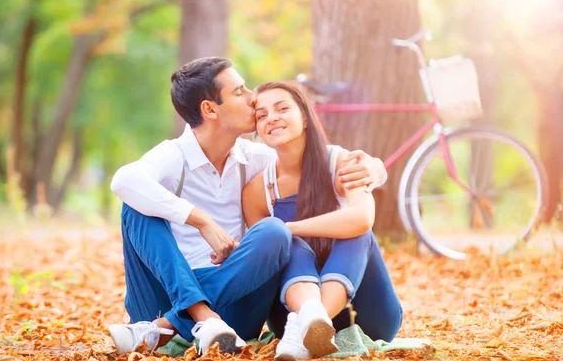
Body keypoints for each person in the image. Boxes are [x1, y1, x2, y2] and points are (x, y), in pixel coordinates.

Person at [106, 57, 389, 355]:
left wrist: (375, 168)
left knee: (274, 232)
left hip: (234, 305)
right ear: (210, 109)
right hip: (163, 294)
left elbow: (314, 158)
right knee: (135, 207)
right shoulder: (173, 156)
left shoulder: (255, 159)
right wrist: (200, 219)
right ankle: (200, 319)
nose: (253, 98)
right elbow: (123, 180)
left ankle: (171, 327)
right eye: (240, 91)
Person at [242, 81, 402, 360]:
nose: (272, 118)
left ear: (305, 116)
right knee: (286, 243)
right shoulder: (258, 190)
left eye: (282, 108)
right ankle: (308, 319)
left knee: (356, 233)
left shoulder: (342, 163)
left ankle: (312, 319)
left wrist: (289, 228)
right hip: (289, 316)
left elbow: (362, 218)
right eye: (262, 115)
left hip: (365, 315)